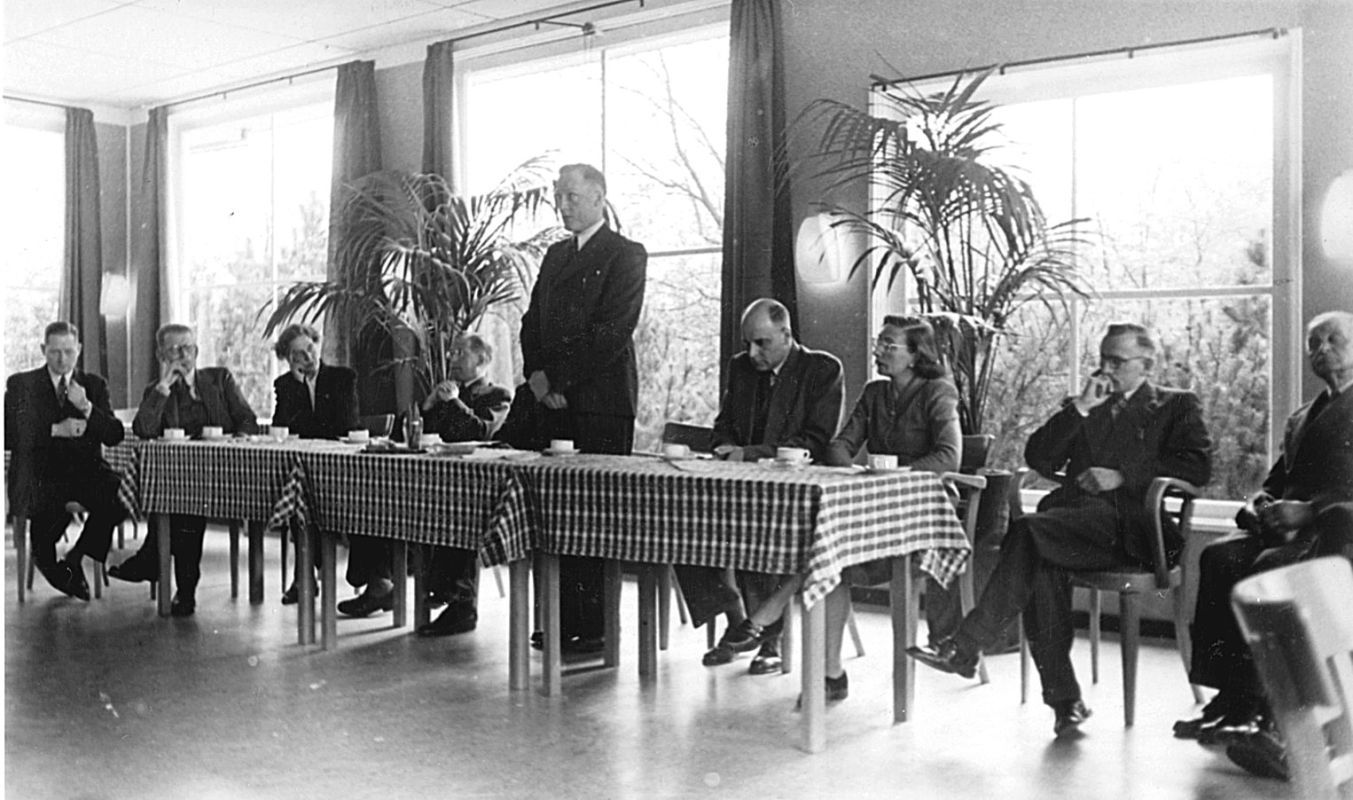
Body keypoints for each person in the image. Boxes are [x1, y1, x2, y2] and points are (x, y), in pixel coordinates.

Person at [907, 322, 1213, 737]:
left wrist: (1123, 476)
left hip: (1135, 530)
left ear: (1147, 364)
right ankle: (1066, 704)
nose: (1105, 369)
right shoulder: (1088, 403)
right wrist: (1080, 409)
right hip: (1072, 526)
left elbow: (1197, 468)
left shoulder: (1176, 405)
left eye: (1117, 361)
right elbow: (1039, 457)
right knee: (1040, 561)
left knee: (1030, 534)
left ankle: (968, 643)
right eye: (1102, 359)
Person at [1174, 310, 1353, 781]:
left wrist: (1309, 511)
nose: (1322, 349)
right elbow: (1276, 482)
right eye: (1314, 343)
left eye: (1334, 339)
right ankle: (1230, 697)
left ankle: (1267, 713)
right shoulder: (1301, 417)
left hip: (1338, 534)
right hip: (1288, 529)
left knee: (1268, 568)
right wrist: (1259, 504)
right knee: (1220, 556)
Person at [676, 297, 845, 675]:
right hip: (738, 484)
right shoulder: (741, 368)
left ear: (786, 334)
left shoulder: (822, 369)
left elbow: (815, 440)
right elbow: (723, 425)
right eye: (748, 343)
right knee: (681, 521)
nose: (753, 353)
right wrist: (724, 446)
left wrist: (749, 454)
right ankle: (738, 620)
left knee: (760, 530)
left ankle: (770, 640)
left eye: (762, 343)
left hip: (792, 491)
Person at [518, 163, 647, 654]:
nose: (562, 205)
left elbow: (612, 331)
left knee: (593, 518)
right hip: (551, 401)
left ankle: (594, 628)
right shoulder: (555, 255)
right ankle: (557, 619)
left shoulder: (626, 254)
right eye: (558, 196)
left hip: (601, 404)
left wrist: (558, 379)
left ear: (599, 196)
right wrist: (537, 377)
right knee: (553, 517)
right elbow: (531, 322)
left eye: (571, 196)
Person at [807, 316, 962, 701]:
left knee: (836, 556)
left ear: (915, 354)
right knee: (831, 557)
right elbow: (840, 445)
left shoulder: (938, 391)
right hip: (874, 508)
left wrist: (896, 476)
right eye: (880, 343)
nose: (878, 351)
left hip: (923, 512)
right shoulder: (875, 392)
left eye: (888, 345)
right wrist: (851, 471)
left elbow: (949, 456)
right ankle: (831, 673)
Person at [109, 323, 258, 616]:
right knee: (180, 502)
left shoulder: (219, 379)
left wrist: (237, 438)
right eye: (173, 350)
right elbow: (143, 430)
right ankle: (182, 589)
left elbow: (247, 419)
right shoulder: (156, 390)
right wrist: (163, 388)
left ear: (197, 351)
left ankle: (152, 561)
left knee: (180, 503)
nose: (181, 356)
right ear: (160, 355)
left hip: (226, 476)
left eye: (187, 348)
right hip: (184, 481)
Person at [4, 321, 128, 600]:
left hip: (85, 474)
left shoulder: (94, 385)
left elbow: (114, 435)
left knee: (120, 496)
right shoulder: (22, 384)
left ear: (79, 349)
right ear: (43, 350)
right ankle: (62, 574)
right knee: (44, 541)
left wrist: (87, 407)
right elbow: (8, 434)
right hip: (41, 476)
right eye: (55, 352)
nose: (62, 359)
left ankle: (76, 556)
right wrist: (54, 430)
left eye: (69, 352)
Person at [414, 332, 512, 636]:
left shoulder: (497, 395)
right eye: (452, 353)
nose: (452, 359)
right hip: (440, 481)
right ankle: (432, 588)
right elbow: (424, 436)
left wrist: (454, 402)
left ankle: (459, 602)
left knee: (458, 510)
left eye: (460, 353)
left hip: (481, 488)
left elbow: (482, 432)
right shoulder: (445, 393)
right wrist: (429, 405)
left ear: (481, 360)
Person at [270, 323, 360, 606]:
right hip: (305, 468)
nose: (307, 356)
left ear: (317, 345)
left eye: (310, 348)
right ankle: (304, 576)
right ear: (288, 359)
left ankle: (305, 576)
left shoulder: (342, 378)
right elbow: (281, 428)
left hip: (341, 467)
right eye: (298, 354)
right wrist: (298, 389)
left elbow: (342, 425)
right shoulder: (285, 385)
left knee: (306, 494)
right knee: (295, 491)